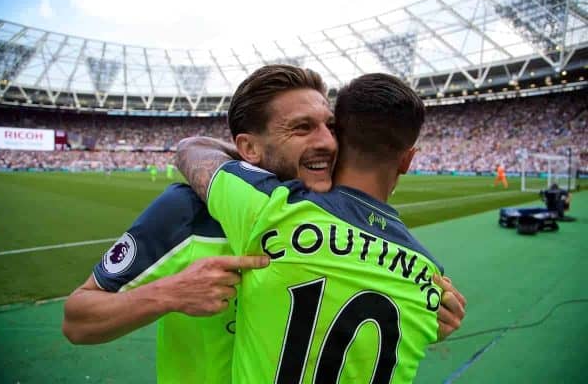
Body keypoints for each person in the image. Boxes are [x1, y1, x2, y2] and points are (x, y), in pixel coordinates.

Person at [63, 65, 465, 383]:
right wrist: (167, 294)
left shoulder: (341, 217)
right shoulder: (190, 210)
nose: (327, 141)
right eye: (302, 128)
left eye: (332, 126)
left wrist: (429, 312)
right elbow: (77, 319)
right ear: (248, 148)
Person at [176, 71, 463, 383]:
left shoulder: (272, 209)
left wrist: (263, 153)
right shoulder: (429, 278)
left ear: (338, 139)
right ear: (407, 160)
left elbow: (191, 149)